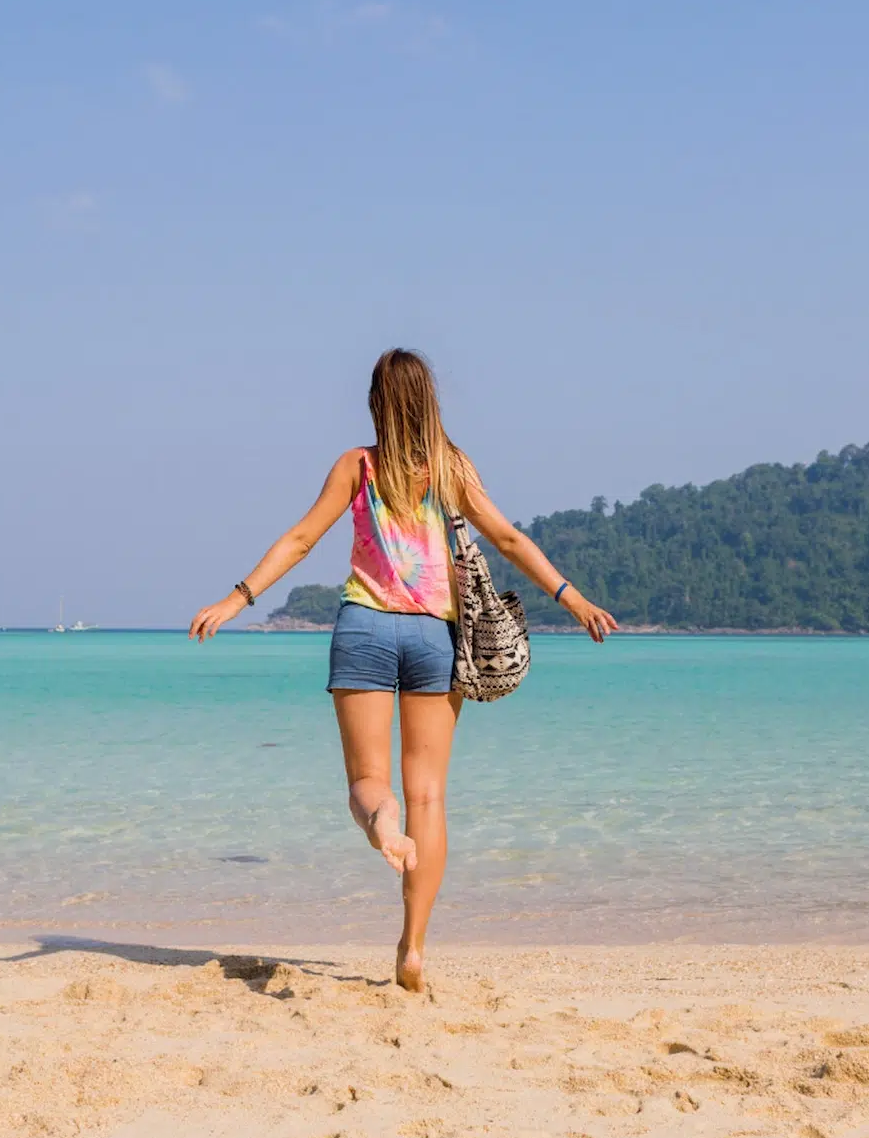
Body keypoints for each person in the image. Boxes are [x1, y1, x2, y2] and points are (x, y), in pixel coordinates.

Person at [189, 348, 617, 991]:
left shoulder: (356, 467)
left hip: (363, 628)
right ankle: (413, 947)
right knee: (430, 797)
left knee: (369, 783)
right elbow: (508, 539)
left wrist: (237, 599)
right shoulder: (451, 470)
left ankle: (380, 825)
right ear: (429, 402)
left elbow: (301, 539)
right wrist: (572, 597)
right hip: (433, 639)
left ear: (375, 403)